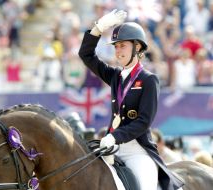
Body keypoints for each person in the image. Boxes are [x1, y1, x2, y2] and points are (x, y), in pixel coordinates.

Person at [78, 9, 184, 190]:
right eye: (116, 46)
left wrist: (114, 137)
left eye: (123, 46)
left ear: (137, 47)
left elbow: (143, 121)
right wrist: (99, 27)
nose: (118, 51)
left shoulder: (149, 80)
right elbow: (86, 55)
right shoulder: (114, 77)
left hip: (138, 152)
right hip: (111, 150)